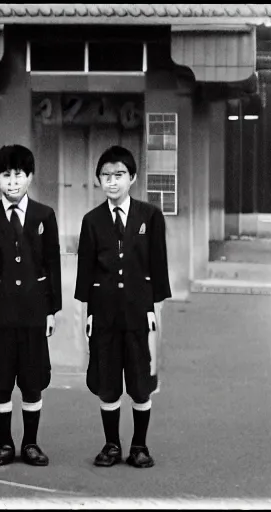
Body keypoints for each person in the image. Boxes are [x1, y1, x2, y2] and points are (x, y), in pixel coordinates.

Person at [74, 145, 171, 469]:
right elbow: (84, 274)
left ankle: (140, 446)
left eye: (118, 175)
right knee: (108, 382)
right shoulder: (92, 221)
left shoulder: (150, 216)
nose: (112, 182)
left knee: (141, 383)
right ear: (99, 180)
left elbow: (159, 268)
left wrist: (156, 311)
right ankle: (111, 445)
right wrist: (86, 315)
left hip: (139, 312)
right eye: (105, 176)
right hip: (104, 315)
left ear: (132, 178)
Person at [0, 144, 62, 467]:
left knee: (32, 379)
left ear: (30, 177)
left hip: (34, 312)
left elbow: (52, 265)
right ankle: (4, 445)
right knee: (0, 381)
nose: (13, 182)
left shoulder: (44, 215)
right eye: (6, 175)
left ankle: (30, 443)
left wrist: (52, 310)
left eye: (19, 175)